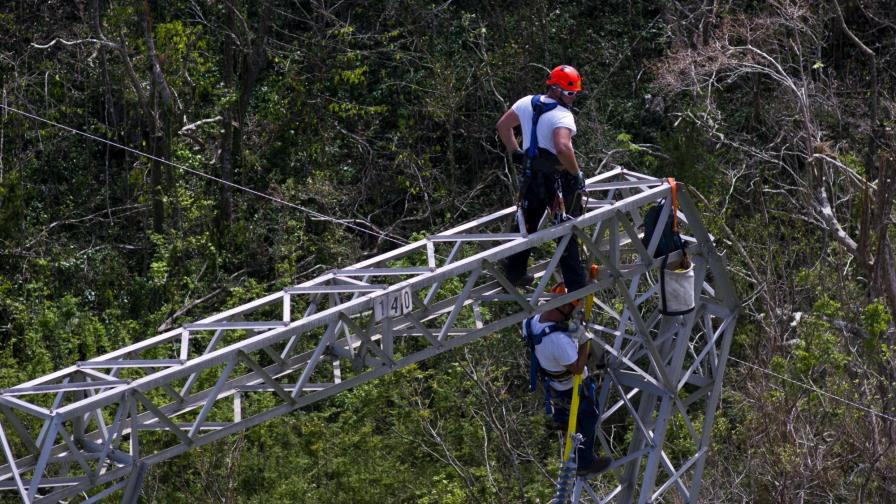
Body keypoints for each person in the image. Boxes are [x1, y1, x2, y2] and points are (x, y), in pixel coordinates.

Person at [497, 65, 587, 291]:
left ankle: (514, 274)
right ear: (556, 90)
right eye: (570, 93)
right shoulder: (562, 115)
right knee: (564, 228)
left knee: (527, 225)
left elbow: (503, 126)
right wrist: (576, 174)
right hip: (554, 181)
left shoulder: (526, 102)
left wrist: (516, 152)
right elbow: (563, 147)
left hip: (530, 176)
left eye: (575, 93)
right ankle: (576, 283)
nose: (573, 98)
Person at [522, 284, 612, 478]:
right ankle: (585, 463)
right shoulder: (558, 342)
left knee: (563, 402)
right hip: (572, 386)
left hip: (552, 380)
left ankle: (561, 418)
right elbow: (578, 368)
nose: (573, 313)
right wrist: (584, 341)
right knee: (588, 418)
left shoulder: (532, 321)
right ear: (562, 308)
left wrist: (573, 329)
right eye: (572, 309)